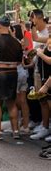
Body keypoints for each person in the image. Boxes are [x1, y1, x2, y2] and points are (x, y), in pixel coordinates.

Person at [29, 10, 50, 140]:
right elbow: (35, 38)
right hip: (41, 71)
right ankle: (45, 126)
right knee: (43, 100)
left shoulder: (47, 36)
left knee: (46, 100)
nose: (49, 29)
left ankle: (46, 126)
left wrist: (40, 53)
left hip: (47, 73)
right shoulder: (48, 39)